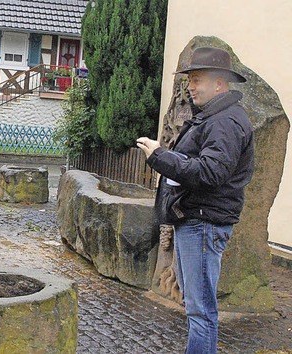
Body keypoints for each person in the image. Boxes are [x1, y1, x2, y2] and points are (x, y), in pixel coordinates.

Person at [136, 46, 255, 354]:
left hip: (203, 223)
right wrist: (165, 155)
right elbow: (201, 163)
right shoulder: (215, 117)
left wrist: (160, 157)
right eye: (189, 78)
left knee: (200, 311)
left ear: (220, 83)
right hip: (197, 221)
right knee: (197, 306)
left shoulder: (225, 121)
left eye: (197, 79)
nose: (190, 86)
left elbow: (211, 172)